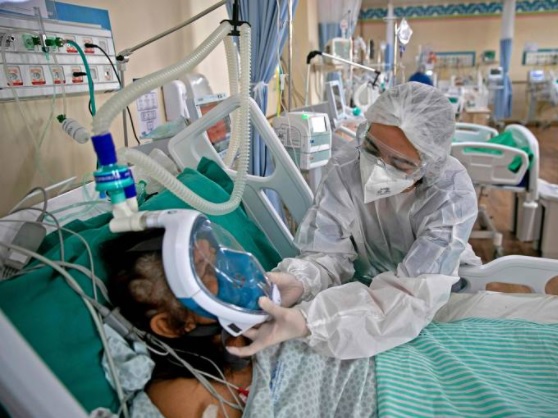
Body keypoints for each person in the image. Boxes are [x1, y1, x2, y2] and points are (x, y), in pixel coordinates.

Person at [228, 82, 480, 360]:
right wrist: (298, 280)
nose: (377, 168)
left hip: (436, 301)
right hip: (362, 296)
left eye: (400, 163)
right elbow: (326, 253)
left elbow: (414, 294)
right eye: (371, 148)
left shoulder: (451, 195)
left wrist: (311, 322)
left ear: (429, 163)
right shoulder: (346, 167)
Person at [101, 229, 377, 418]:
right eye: (207, 272)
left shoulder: (280, 317)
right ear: (171, 325)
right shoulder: (182, 394)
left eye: (218, 255)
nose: (232, 270)